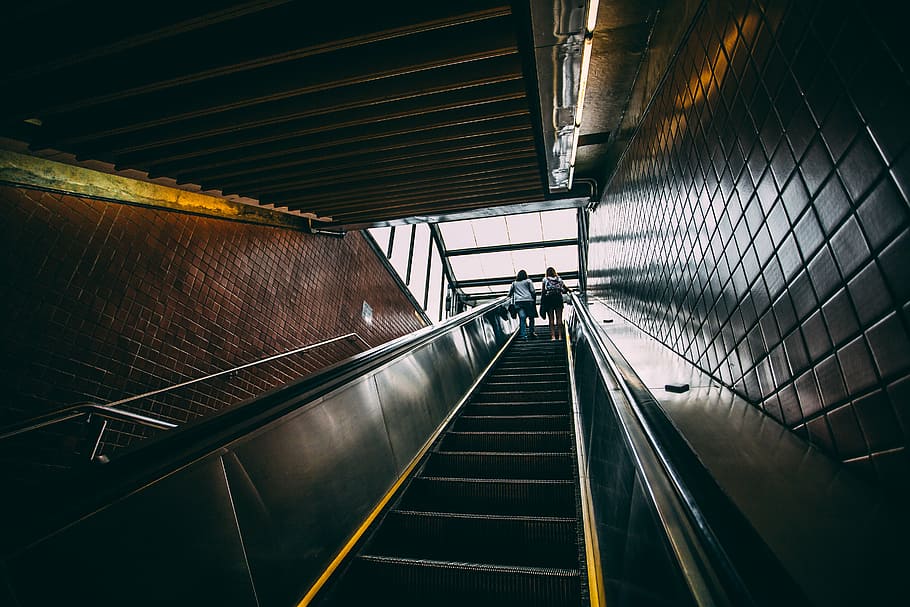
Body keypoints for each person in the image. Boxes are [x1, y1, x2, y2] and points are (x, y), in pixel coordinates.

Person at [539, 267, 568, 341]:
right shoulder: (559, 279)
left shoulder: (545, 280)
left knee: (551, 319)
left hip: (549, 300)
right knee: (559, 318)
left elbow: (543, 292)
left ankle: (553, 336)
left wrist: (542, 301)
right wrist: (569, 290)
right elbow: (565, 288)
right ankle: (560, 336)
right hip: (558, 298)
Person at [508, 269, 537, 340]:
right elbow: (533, 291)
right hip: (528, 301)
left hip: (519, 302)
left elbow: (510, 294)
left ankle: (523, 335)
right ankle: (531, 332)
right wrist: (533, 299)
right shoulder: (528, 281)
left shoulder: (514, 283)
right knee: (531, 317)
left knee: (522, 318)